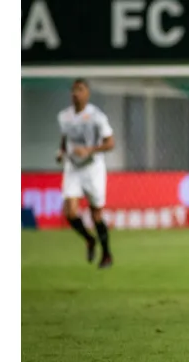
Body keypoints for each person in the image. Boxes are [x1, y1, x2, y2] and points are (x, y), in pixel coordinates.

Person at [56, 78, 115, 269]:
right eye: (74, 90)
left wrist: (89, 150)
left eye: (80, 90)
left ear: (87, 93)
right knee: (70, 212)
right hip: (73, 167)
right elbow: (65, 139)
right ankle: (89, 240)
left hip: (93, 168)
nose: (76, 94)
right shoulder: (64, 116)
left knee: (96, 213)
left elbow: (110, 143)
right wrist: (61, 152)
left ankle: (106, 254)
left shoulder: (97, 116)